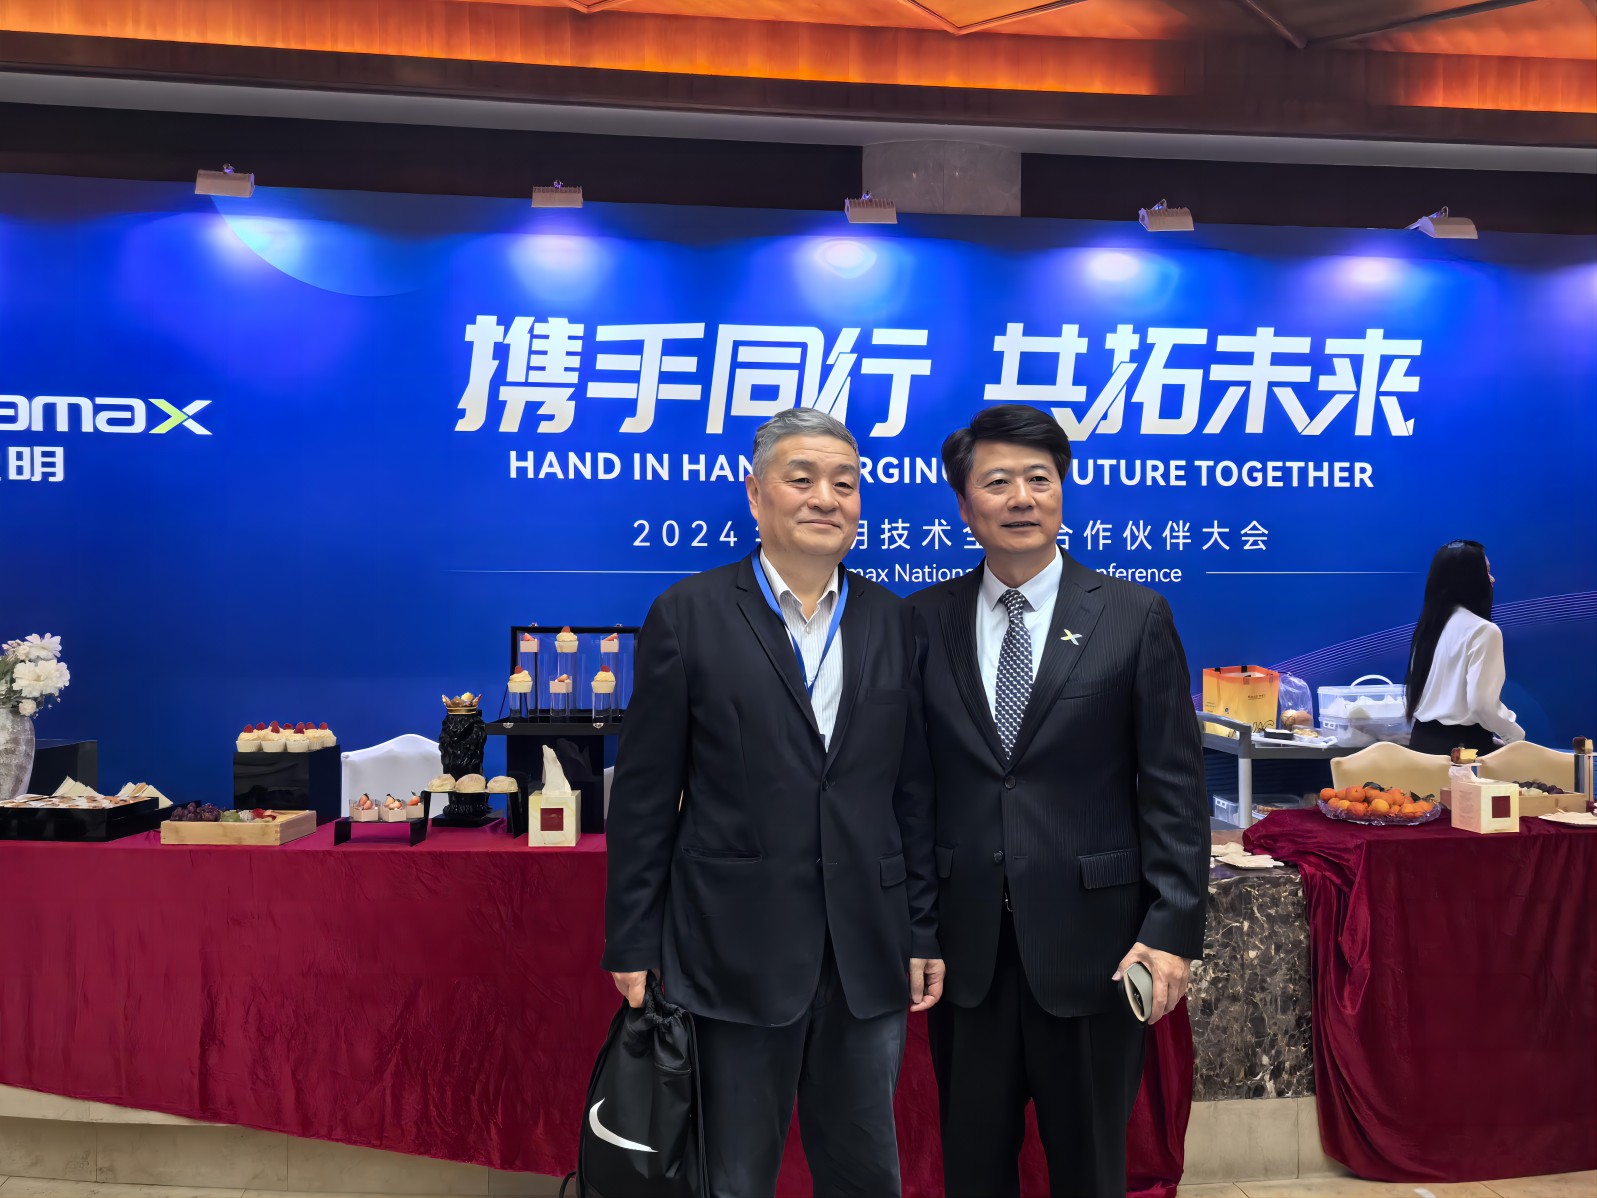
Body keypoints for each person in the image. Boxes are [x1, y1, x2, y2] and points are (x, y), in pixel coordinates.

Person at [602, 406, 943, 1198]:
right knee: (733, 1175)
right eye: (802, 479)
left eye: (844, 484)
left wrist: (921, 927)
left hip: (866, 949)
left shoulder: (894, 621)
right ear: (755, 494)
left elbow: (913, 793)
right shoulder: (688, 615)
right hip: (732, 946)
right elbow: (646, 796)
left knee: (865, 1172)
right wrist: (631, 939)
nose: (826, 498)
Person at [908, 404, 1209, 1198]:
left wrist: (1170, 931)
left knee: (1089, 1167)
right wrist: (913, 926)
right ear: (963, 503)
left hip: (1097, 945)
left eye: (1038, 479)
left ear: (1061, 492)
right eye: (996, 482)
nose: (1021, 498)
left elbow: (1174, 788)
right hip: (965, 950)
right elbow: (909, 789)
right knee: (973, 1168)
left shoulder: (1131, 616)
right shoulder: (921, 622)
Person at [1405, 539, 1524, 756]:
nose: (1492, 579)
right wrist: (1514, 735)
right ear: (1469, 579)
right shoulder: (1483, 630)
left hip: (1421, 743)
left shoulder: (1428, 628)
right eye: (1486, 572)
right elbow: (1482, 704)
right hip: (1463, 751)